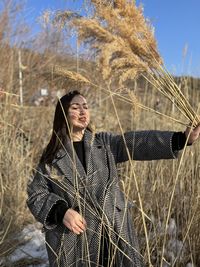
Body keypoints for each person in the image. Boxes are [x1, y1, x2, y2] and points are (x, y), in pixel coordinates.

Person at [27, 90, 200, 267]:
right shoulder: (52, 157)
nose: (83, 111)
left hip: (114, 232)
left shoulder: (104, 143)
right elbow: (36, 194)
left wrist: (181, 139)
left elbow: (137, 142)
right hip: (76, 240)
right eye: (75, 107)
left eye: (86, 107)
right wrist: (61, 211)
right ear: (63, 114)